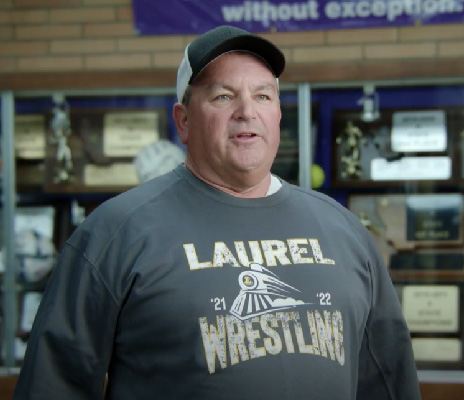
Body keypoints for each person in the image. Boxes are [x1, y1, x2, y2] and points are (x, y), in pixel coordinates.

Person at [13, 25, 421, 400]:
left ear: (279, 114)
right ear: (184, 120)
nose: (247, 111)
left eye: (263, 95)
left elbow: (389, 381)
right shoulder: (116, 233)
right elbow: (52, 385)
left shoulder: (342, 229)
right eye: (223, 96)